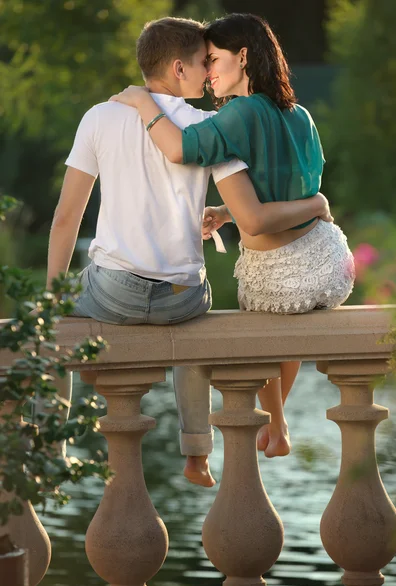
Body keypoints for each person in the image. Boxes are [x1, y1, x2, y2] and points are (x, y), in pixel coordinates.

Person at [47, 16, 333, 486]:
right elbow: (250, 206)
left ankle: (51, 445)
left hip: (114, 293)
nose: (209, 74)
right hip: (183, 296)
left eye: (213, 61)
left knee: (54, 321)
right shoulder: (213, 123)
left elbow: (64, 218)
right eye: (204, 62)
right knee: (192, 325)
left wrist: (51, 297)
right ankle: (197, 454)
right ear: (180, 69)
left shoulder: (100, 116)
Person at [109, 13, 355, 461]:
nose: (209, 72)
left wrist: (144, 103)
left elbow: (181, 149)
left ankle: (277, 425)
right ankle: (279, 427)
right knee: (287, 317)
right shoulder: (300, 114)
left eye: (215, 59)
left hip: (282, 274)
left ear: (243, 57)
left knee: (258, 307)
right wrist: (228, 212)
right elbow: (289, 188)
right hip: (328, 262)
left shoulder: (240, 111)